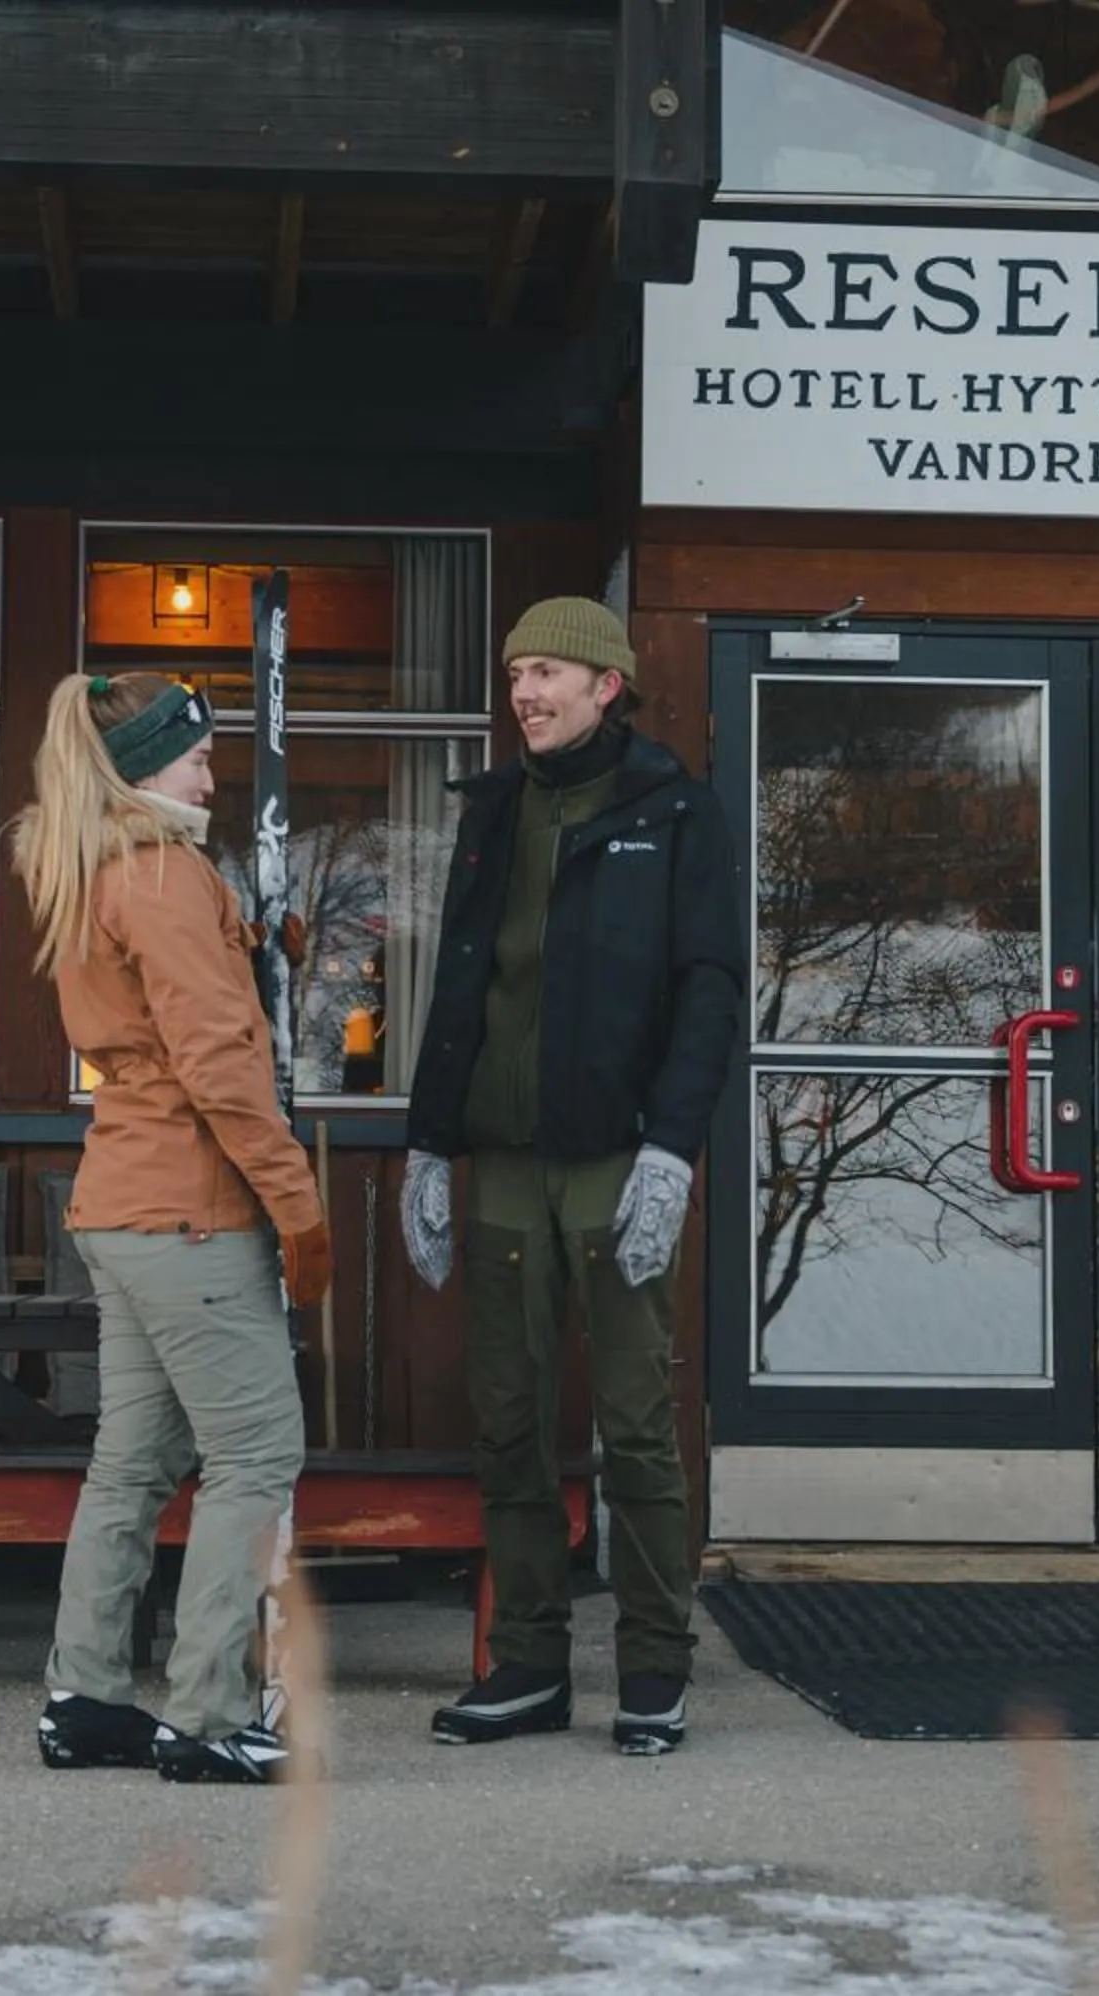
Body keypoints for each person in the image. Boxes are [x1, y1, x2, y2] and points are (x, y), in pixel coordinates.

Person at [399, 596, 740, 1756]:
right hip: (502, 1161)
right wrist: (429, 1143)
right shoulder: (494, 810)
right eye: (515, 675)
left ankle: (653, 1666)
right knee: (508, 1420)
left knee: (635, 1424)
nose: (525, 693)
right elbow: (461, 985)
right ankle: (530, 1662)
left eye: (547, 672)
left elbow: (709, 988)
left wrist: (671, 1150)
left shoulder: (674, 811)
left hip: (614, 1160)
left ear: (607, 685)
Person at [13, 669, 331, 1786]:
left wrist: (253, 948)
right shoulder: (162, 873)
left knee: (133, 1464)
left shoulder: (106, 867)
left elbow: (169, 1017)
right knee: (255, 1454)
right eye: (195, 756)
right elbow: (218, 1065)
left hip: (122, 1200)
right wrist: (297, 1202)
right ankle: (208, 1714)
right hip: (192, 1210)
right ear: (146, 767)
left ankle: (86, 1698)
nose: (211, 774)